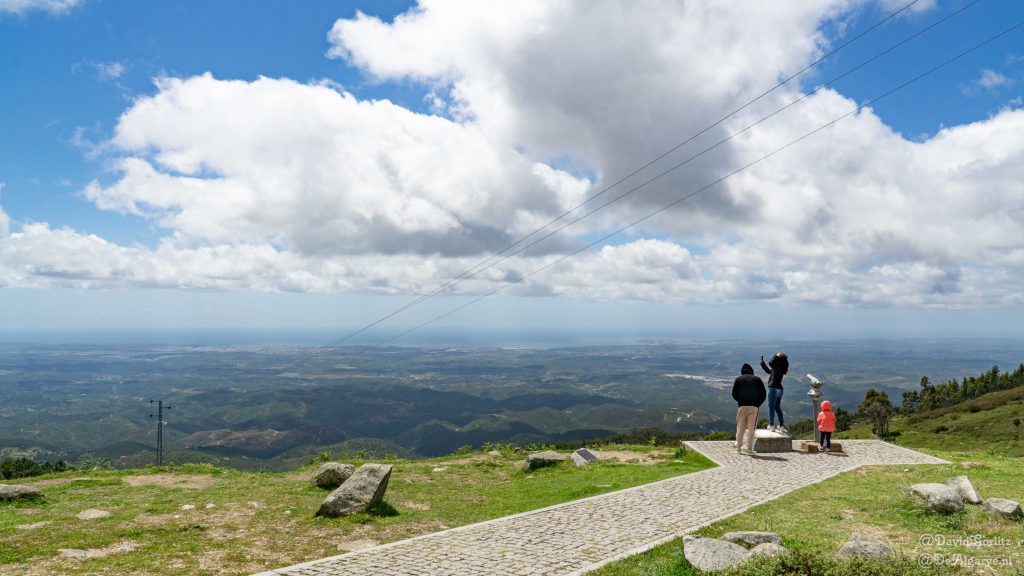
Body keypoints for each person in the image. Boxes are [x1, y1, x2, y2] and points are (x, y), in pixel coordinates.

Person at [731, 363, 766, 455]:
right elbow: (763, 394)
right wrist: (758, 404)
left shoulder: (738, 379)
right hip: (754, 407)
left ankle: (738, 449)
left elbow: (734, 394)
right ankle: (749, 449)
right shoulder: (757, 379)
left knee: (740, 427)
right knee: (751, 429)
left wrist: (740, 401)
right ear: (752, 371)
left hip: (742, 406)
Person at [760, 352, 789, 435]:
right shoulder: (782, 367)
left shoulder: (776, 365)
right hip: (780, 389)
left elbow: (771, 362)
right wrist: (762, 363)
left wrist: (775, 355)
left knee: (771, 408)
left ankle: (771, 425)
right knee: (777, 408)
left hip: (773, 389)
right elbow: (769, 371)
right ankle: (781, 425)